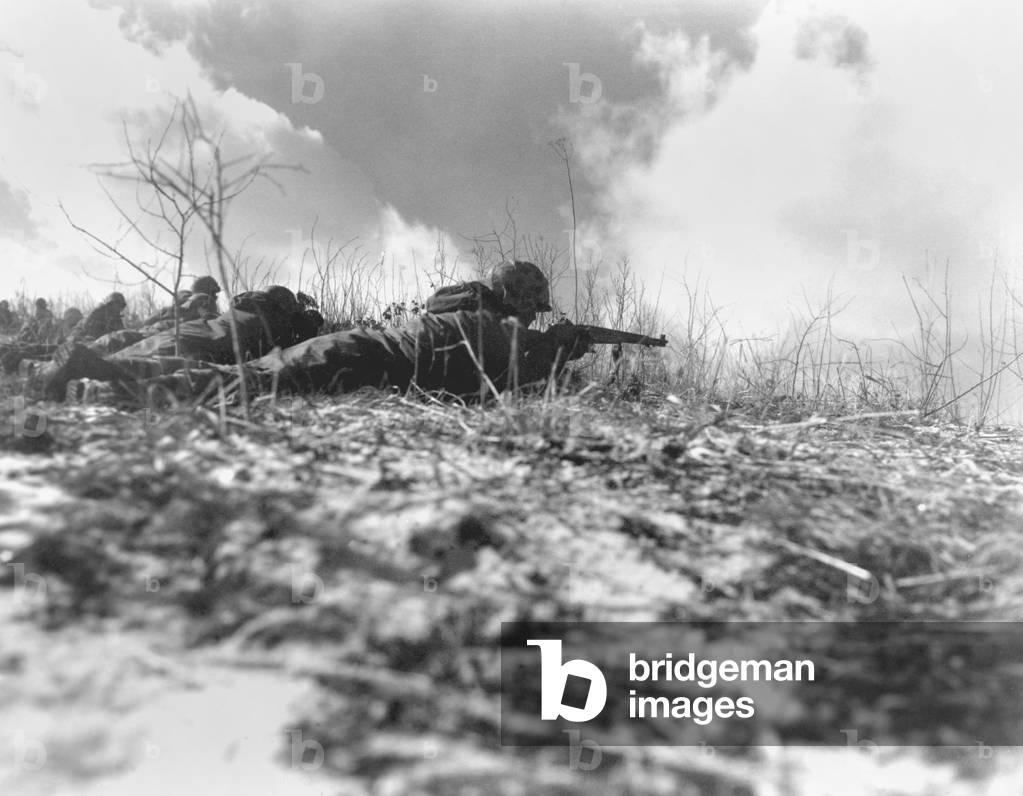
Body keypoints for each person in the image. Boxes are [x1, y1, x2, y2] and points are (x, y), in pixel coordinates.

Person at [38, 262, 592, 402]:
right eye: (532, 310)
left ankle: (98, 371)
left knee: (240, 378)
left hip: (349, 349)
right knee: (239, 387)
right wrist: (560, 351)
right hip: (353, 358)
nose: (535, 319)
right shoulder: (490, 330)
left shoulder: (458, 311)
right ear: (518, 302)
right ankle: (97, 369)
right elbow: (506, 379)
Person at [144, 276, 222, 326]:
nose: (216, 297)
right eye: (214, 293)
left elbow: (148, 322)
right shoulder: (203, 299)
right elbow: (210, 320)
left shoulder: (171, 307)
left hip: (157, 330)